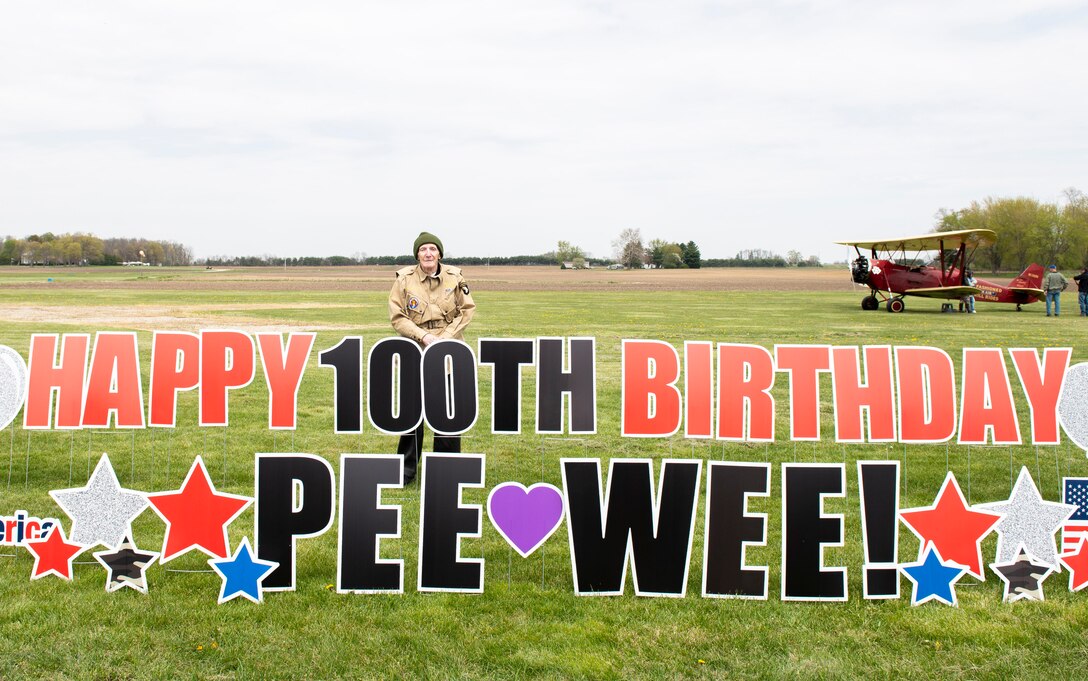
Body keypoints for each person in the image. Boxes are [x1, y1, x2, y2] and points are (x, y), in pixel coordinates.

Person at [388, 232, 476, 483]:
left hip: (448, 352)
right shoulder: (404, 279)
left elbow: (466, 310)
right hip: (415, 348)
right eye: (423, 249)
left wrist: (445, 337)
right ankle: (405, 472)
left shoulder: (455, 277)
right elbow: (397, 316)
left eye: (432, 249)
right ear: (417, 254)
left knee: (448, 414)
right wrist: (423, 337)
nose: (428, 253)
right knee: (412, 414)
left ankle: (446, 471)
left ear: (439, 254)